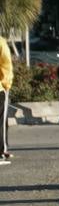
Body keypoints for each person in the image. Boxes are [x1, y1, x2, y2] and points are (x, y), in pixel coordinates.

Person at [0, 33, 13, 164]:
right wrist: (6, 84)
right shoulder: (1, 42)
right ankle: (1, 150)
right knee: (1, 121)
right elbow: (6, 65)